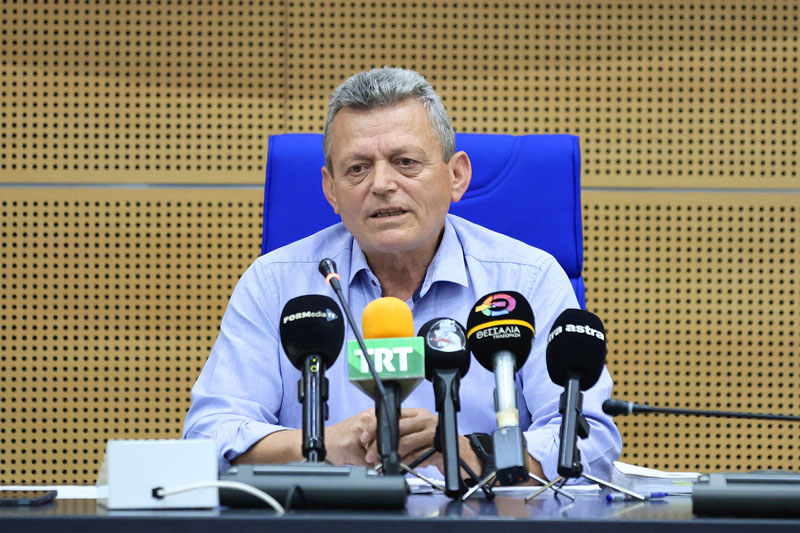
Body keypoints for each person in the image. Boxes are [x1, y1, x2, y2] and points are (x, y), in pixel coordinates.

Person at [182, 67, 621, 482]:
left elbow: (591, 441)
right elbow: (208, 437)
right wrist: (324, 444)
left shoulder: (527, 281)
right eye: (357, 168)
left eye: (405, 162)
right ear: (331, 190)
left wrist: (467, 453)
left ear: (456, 176)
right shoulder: (274, 284)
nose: (381, 184)